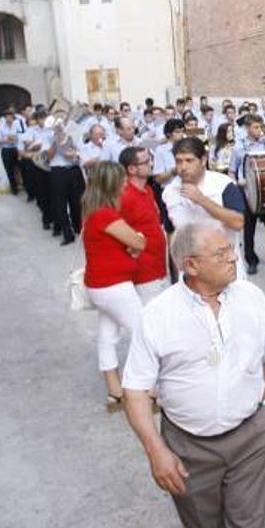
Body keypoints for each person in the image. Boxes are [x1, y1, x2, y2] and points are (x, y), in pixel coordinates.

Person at [121, 221, 265, 528]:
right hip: (188, 449)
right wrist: (156, 450)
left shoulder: (251, 296)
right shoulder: (158, 314)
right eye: (221, 253)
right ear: (191, 265)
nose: (233, 258)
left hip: (251, 437)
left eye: (231, 249)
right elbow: (135, 391)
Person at [81, 161, 146, 411]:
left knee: (107, 337)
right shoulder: (106, 215)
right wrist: (137, 239)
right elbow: (137, 243)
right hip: (114, 286)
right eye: (122, 180)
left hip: (99, 286)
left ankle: (115, 392)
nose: (125, 184)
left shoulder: (92, 213)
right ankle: (146, 389)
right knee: (144, 333)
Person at [162, 137, 248, 280]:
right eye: (179, 161)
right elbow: (171, 235)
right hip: (191, 275)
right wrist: (176, 277)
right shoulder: (169, 192)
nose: (183, 167)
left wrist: (202, 200)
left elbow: (237, 222)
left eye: (189, 161)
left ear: (203, 160)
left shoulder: (223, 184)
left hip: (226, 269)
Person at [118, 146, 168, 303]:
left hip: (159, 267)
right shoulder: (125, 197)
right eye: (146, 161)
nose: (152, 164)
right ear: (132, 169)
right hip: (143, 274)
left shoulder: (147, 189)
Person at [230, 115, 265, 276]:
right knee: (249, 227)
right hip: (247, 191)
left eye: (261, 127)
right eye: (256, 127)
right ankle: (251, 259)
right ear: (248, 128)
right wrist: (238, 183)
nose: (259, 130)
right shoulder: (239, 148)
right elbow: (231, 171)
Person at [47, 115, 85, 245]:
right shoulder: (48, 136)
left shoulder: (72, 134)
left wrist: (74, 153)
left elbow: (82, 151)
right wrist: (55, 143)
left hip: (74, 170)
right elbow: (48, 157)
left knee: (77, 202)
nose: (58, 127)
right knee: (60, 204)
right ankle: (67, 234)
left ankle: (79, 228)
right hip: (58, 172)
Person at [0, 104, 25, 194]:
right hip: (6, 150)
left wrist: (8, 139)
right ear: (5, 118)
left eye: (11, 116)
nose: (9, 118)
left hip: (17, 149)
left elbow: (20, 137)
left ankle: (23, 185)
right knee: (9, 170)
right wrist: (8, 139)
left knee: (22, 168)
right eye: (7, 117)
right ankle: (14, 188)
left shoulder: (18, 126)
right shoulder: (2, 127)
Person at [153, 119, 186, 185]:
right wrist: (173, 171)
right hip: (169, 189)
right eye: (177, 132)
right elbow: (158, 179)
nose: (181, 134)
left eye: (183, 131)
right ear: (169, 134)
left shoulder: (188, 147)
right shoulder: (161, 150)